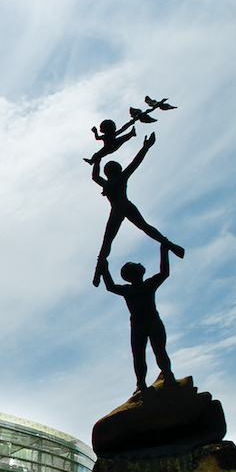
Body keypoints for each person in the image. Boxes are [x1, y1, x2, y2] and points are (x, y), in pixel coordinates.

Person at [91, 132, 184, 286]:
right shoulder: (109, 183)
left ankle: (170, 245)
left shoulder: (114, 181)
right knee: (109, 240)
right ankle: (99, 269)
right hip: (119, 209)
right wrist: (97, 159)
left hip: (122, 207)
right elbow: (95, 176)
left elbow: (135, 163)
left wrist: (145, 148)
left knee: (138, 230)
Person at [99, 243, 176, 392]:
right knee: (139, 356)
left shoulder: (147, 285)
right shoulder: (129, 290)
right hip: (138, 326)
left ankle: (167, 374)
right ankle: (141, 383)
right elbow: (110, 286)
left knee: (158, 350)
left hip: (152, 321)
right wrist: (104, 267)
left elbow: (164, 272)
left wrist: (164, 249)